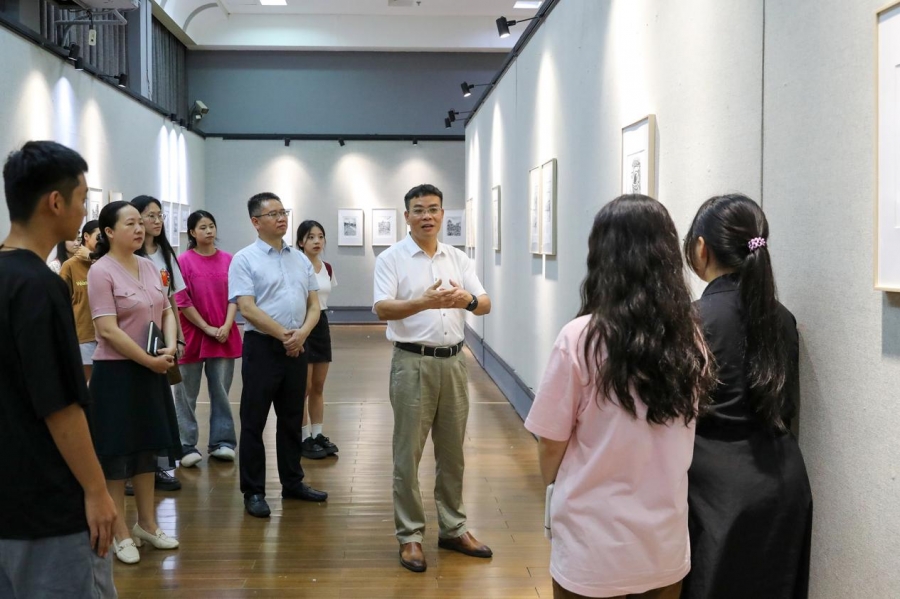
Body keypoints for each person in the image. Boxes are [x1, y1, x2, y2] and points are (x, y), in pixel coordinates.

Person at [524, 195, 715, 599]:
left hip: (591, 545)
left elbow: (550, 444)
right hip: (662, 544)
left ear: (601, 256)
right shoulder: (691, 338)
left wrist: (556, 487)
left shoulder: (580, 338)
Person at [680, 194, 812, 599]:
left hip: (714, 493)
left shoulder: (692, 321)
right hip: (784, 486)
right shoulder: (783, 318)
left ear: (701, 248)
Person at [0, 140, 117, 597]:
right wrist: (96, 490)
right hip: (46, 504)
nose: (85, 209)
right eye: (82, 197)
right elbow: (60, 405)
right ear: (55, 202)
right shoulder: (38, 284)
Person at [373, 183, 493, 573]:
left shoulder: (457, 258)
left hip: (454, 363)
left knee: (453, 452)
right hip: (412, 363)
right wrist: (421, 302)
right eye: (419, 209)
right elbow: (382, 308)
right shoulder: (392, 258)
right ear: (406, 216)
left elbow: (484, 303)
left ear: (443, 214)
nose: (427, 216)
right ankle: (410, 535)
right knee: (408, 453)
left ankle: (453, 528)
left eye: (434, 209)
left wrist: (466, 300)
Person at [87, 200, 182, 564]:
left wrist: (170, 346)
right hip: (118, 375)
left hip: (151, 370)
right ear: (109, 232)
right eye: (130, 223)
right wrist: (150, 360)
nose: (140, 228)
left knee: (147, 450)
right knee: (117, 455)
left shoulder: (149, 265)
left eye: (141, 222)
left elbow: (167, 310)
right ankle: (120, 532)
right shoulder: (101, 271)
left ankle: (147, 524)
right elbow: (107, 329)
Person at [228, 192, 327, 518]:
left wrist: (301, 334)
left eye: (283, 212)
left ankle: (293, 482)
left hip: (297, 346)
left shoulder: (300, 259)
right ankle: (253, 491)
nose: (281, 218)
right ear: (256, 222)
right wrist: (285, 335)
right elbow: (247, 308)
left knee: (291, 419)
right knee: (253, 421)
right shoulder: (244, 259)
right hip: (263, 348)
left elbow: (314, 305)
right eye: (273, 214)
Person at [173, 210, 241, 467]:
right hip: (191, 334)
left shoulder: (229, 260)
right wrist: (206, 327)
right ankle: (185, 444)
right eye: (202, 227)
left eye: (211, 226)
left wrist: (226, 325)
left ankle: (223, 442)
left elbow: (236, 295)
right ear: (192, 232)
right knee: (185, 394)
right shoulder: (183, 261)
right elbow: (181, 300)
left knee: (221, 391)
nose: (209, 231)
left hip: (223, 334)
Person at [132, 195, 185, 492]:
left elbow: (171, 300)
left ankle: (158, 466)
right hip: (133, 336)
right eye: (149, 215)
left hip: (161, 336)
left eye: (159, 215)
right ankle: (132, 469)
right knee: (136, 405)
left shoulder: (165, 254)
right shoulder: (128, 255)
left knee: (159, 404)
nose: (156, 221)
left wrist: (177, 336)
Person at [296, 219, 339, 460]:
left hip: (321, 323)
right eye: (311, 237)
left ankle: (318, 433)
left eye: (320, 237)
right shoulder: (296, 265)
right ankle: (303, 437)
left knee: (318, 386)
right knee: (304, 387)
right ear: (301, 241)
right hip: (302, 323)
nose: (316, 241)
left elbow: (323, 298)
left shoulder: (327, 268)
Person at [59, 219, 101, 382]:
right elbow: (61, 304)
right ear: (86, 237)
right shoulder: (70, 266)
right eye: (98, 236)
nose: (102, 241)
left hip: (109, 336)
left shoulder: (106, 262)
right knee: (86, 383)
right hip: (84, 335)